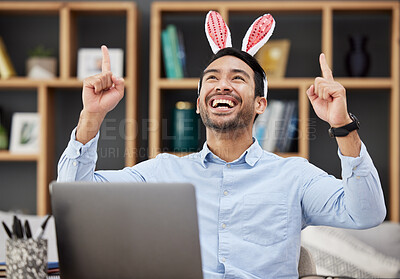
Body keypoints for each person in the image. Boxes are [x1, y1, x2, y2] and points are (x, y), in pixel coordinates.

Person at [58, 12, 386, 278]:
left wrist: (342, 125)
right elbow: (74, 197)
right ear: (200, 102)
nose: (223, 85)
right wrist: (92, 115)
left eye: (238, 78)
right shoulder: (163, 171)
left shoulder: (294, 174)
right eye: (212, 78)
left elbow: (367, 213)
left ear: (260, 103)